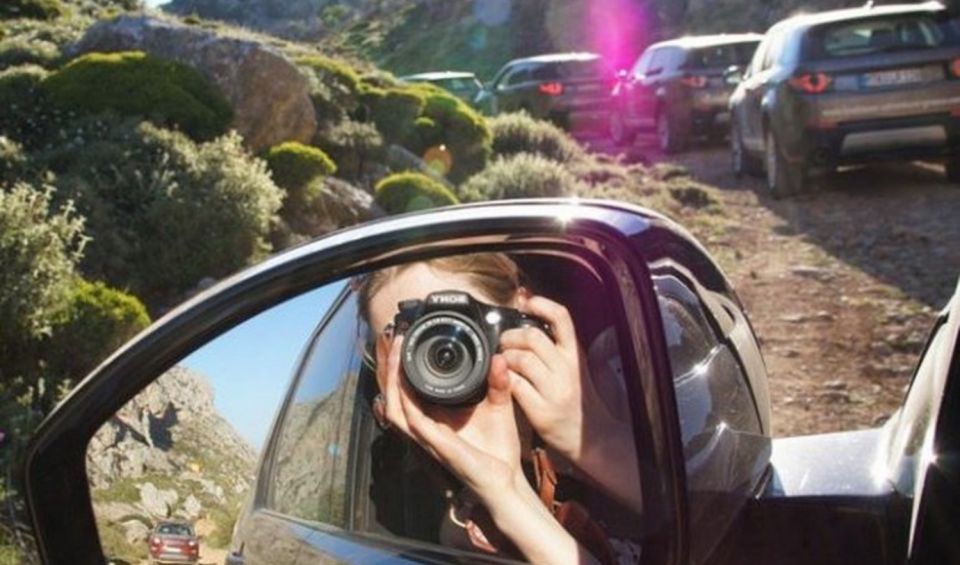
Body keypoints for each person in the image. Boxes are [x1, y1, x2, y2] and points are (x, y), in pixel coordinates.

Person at [358, 253, 642, 565]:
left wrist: (593, 439)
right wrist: (503, 492)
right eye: (407, 336)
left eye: (459, 323)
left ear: (525, 310)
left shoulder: (636, 378)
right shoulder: (471, 530)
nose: (444, 354)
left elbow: (702, 516)